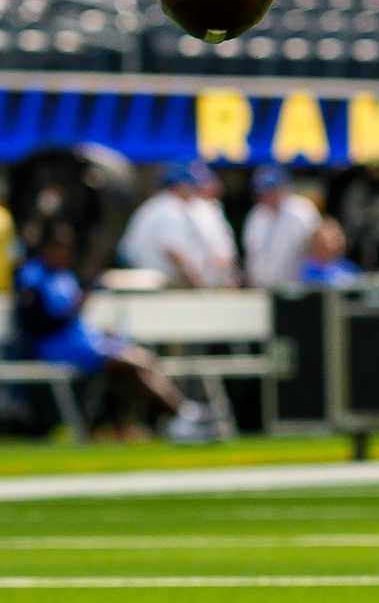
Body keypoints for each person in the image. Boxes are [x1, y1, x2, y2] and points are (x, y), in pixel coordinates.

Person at [14, 227, 212, 441]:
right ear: (47, 249)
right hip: (55, 346)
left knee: (137, 359)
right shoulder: (32, 276)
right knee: (129, 362)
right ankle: (183, 413)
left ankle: (176, 418)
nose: (65, 253)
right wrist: (76, 308)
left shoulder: (65, 275)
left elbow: (74, 320)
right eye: (60, 248)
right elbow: (34, 323)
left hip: (81, 342)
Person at [116, 163, 207, 286]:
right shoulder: (170, 209)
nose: (194, 191)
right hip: (150, 280)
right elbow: (173, 250)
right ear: (180, 186)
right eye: (192, 187)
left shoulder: (159, 204)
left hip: (146, 276)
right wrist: (196, 281)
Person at [242, 166, 320, 287]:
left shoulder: (302, 210)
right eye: (263, 191)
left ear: (284, 187)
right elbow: (251, 253)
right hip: (260, 286)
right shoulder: (256, 214)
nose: (267, 195)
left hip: (295, 287)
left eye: (272, 189)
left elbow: (318, 248)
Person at [188, 164, 241, 287]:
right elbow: (209, 247)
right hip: (209, 277)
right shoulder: (195, 209)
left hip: (222, 275)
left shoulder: (214, 206)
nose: (215, 185)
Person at [299, 217, 362, 286]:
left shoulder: (347, 267)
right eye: (322, 243)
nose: (332, 245)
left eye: (336, 239)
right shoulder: (308, 270)